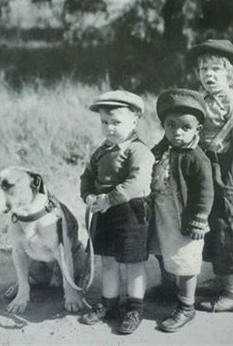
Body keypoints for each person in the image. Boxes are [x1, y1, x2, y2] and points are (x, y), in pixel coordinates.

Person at [186, 39, 233, 313]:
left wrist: (230, 179)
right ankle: (223, 280)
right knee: (211, 226)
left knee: (228, 228)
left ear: (231, 74)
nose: (209, 75)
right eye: (204, 69)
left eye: (216, 69)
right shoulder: (199, 98)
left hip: (225, 170)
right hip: (203, 169)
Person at [79, 90, 155, 334]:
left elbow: (136, 181)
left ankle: (135, 307)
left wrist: (110, 199)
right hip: (104, 212)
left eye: (116, 123)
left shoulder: (138, 150)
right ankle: (109, 303)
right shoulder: (101, 150)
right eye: (105, 122)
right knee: (108, 260)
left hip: (131, 212)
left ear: (134, 121)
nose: (109, 128)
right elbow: (88, 176)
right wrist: (88, 195)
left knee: (133, 263)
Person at [150, 88, 214, 332]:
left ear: (197, 128)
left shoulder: (196, 158)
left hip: (184, 218)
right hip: (161, 213)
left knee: (185, 260)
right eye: (171, 125)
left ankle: (187, 306)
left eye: (185, 127)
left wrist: (199, 218)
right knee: (161, 250)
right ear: (163, 125)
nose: (177, 132)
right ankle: (168, 288)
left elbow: (205, 193)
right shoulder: (162, 149)